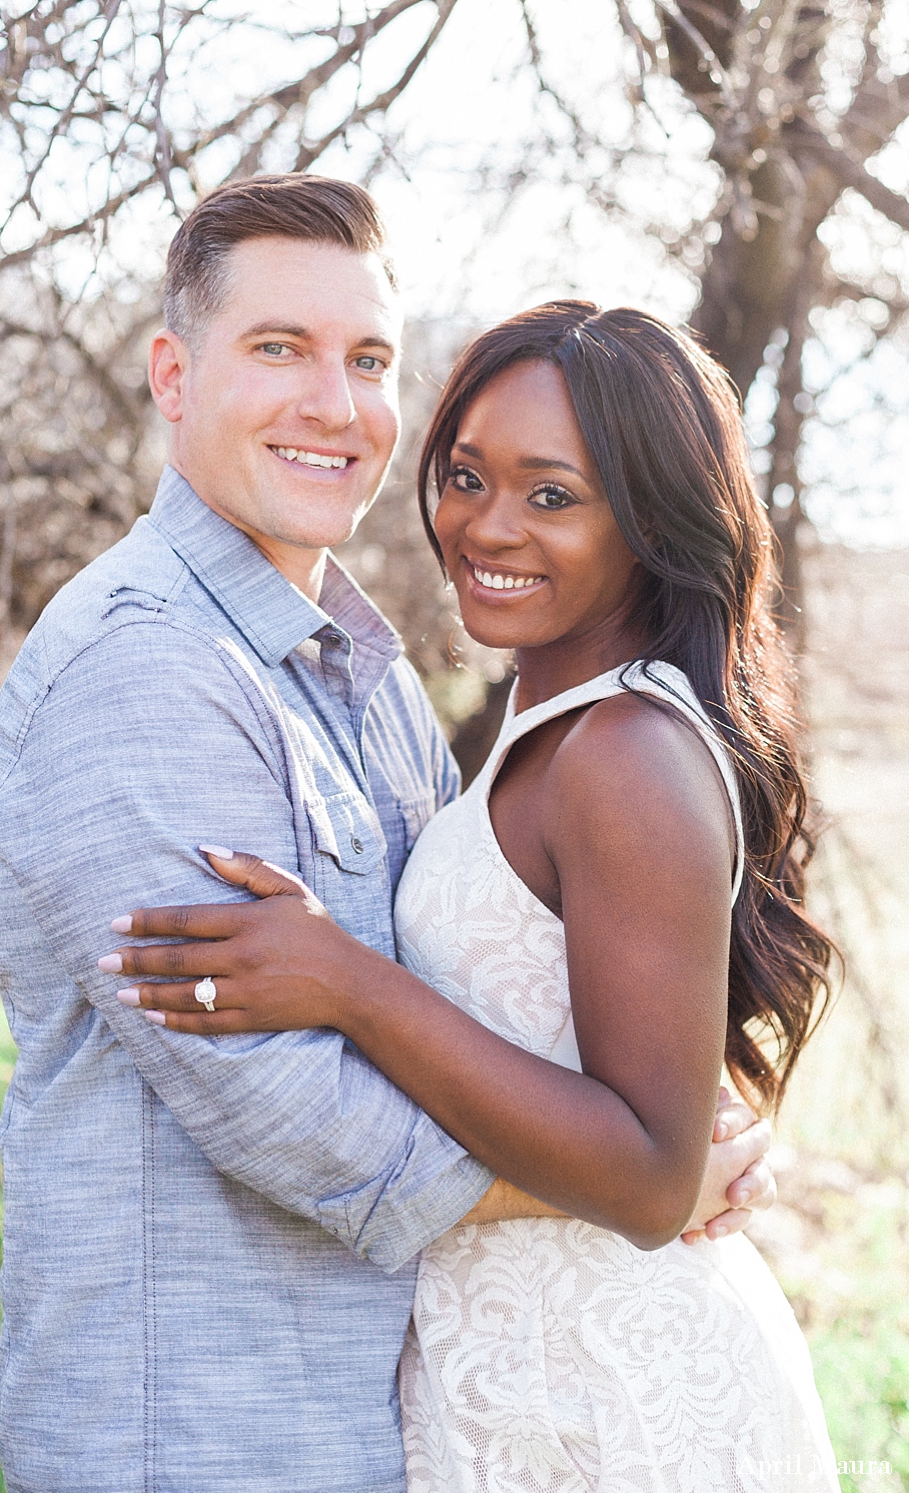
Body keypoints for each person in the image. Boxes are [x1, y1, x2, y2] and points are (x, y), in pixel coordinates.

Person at [0, 176, 772, 1492]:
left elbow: (481, 987)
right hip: (202, 1432)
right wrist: (645, 1175)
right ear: (174, 375)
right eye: (277, 349)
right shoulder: (138, 675)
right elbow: (288, 1110)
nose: (332, 405)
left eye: (367, 360)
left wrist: (679, 1113)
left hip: (398, 1419)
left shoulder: (365, 675)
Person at [104, 300, 840, 1490]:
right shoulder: (546, 731)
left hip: (619, 1406)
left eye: (551, 494)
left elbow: (651, 1178)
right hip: (509, 1385)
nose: (485, 527)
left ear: (649, 517)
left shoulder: (623, 752)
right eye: (462, 476)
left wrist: (349, 984)